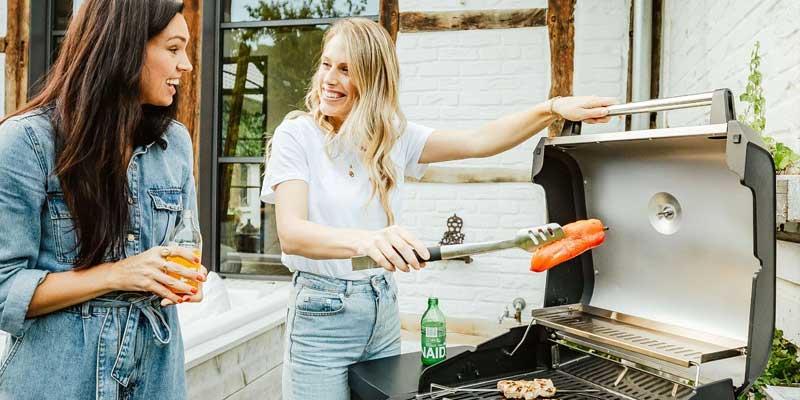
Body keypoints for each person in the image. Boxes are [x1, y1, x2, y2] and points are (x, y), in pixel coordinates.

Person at [261, 17, 616, 400]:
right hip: (321, 312)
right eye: (327, 64)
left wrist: (552, 108)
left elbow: (480, 141)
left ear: (373, 80)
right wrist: (369, 240)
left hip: (381, 304)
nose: (329, 78)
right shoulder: (297, 135)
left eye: (346, 69)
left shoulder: (391, 137)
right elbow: (292, 233)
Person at [0, 1, 206, 399]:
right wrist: (118, 274)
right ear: (126, 47)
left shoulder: (174, 142)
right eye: (173, 49)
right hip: (58, 379)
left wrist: (184, 281)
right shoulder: (26, 142)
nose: (187, 65)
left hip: (157, 376)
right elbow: (4, 288)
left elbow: (186, 241)